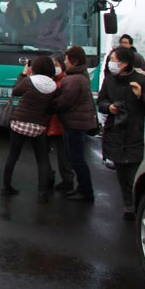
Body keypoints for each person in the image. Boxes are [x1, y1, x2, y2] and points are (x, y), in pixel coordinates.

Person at [97, 46, 145, 219]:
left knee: (136, 172)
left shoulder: (142, 81)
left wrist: (140, 95)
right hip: (115, 132)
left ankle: (140, 206)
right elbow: (101, 102)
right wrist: (109, 107)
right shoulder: (109, 80)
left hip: (135, 133)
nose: (110, 63)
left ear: (124, 64)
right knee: (122, 173)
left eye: (113, 60)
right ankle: (129, 205)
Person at [1, 55, 58, 204]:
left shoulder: (29, 81)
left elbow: (15, 91)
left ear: (35, 67)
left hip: (19, 123)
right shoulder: (53, 86)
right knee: (42, 160)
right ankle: (42, 193)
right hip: (38, 126)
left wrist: (22, 75)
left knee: (13, 156)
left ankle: (6, 187)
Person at [53, 45, 98, 202]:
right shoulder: (79, 76)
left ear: (75, 61)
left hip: (75, 124)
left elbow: (64, 101)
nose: (65, 62)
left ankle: (86, 190)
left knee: (77, 159)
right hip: (76, 122)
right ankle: (81, 188)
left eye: (67, 59)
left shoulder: (74, 79)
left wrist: (51, 104)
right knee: (75, 157)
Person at [45, 54, 75, 193]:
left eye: (56, 64)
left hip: (61, 123)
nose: (54, 68)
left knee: (64, 156)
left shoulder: (67, 81)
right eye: (51, 65)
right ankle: (48, 178)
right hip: (46, 122)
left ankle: (67, 181)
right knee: (43, 153)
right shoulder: (46, 80)